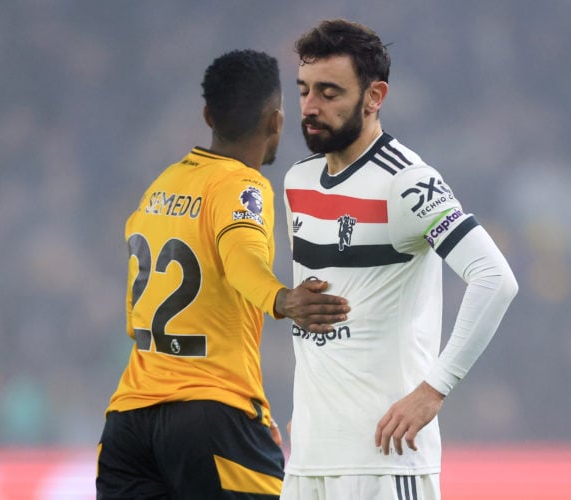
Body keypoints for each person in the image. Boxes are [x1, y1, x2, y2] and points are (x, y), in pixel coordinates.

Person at [96, 49, 350, 499]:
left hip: (128, 424)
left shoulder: (163, 184)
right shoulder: (241, 184)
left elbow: (135, 305)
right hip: (213, 417)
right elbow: (241, 257)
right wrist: (282, 299)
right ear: (276, 122)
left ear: (208, 114)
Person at [281, 20, 518, 500]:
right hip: (309, 457)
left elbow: (494, 278)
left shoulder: (407, 181)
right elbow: (315, 320)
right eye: (304, 90)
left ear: (375, 96)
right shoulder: (297, 182)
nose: (310, 107)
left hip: (386, 460)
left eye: (329, 92)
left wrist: (433, 390)